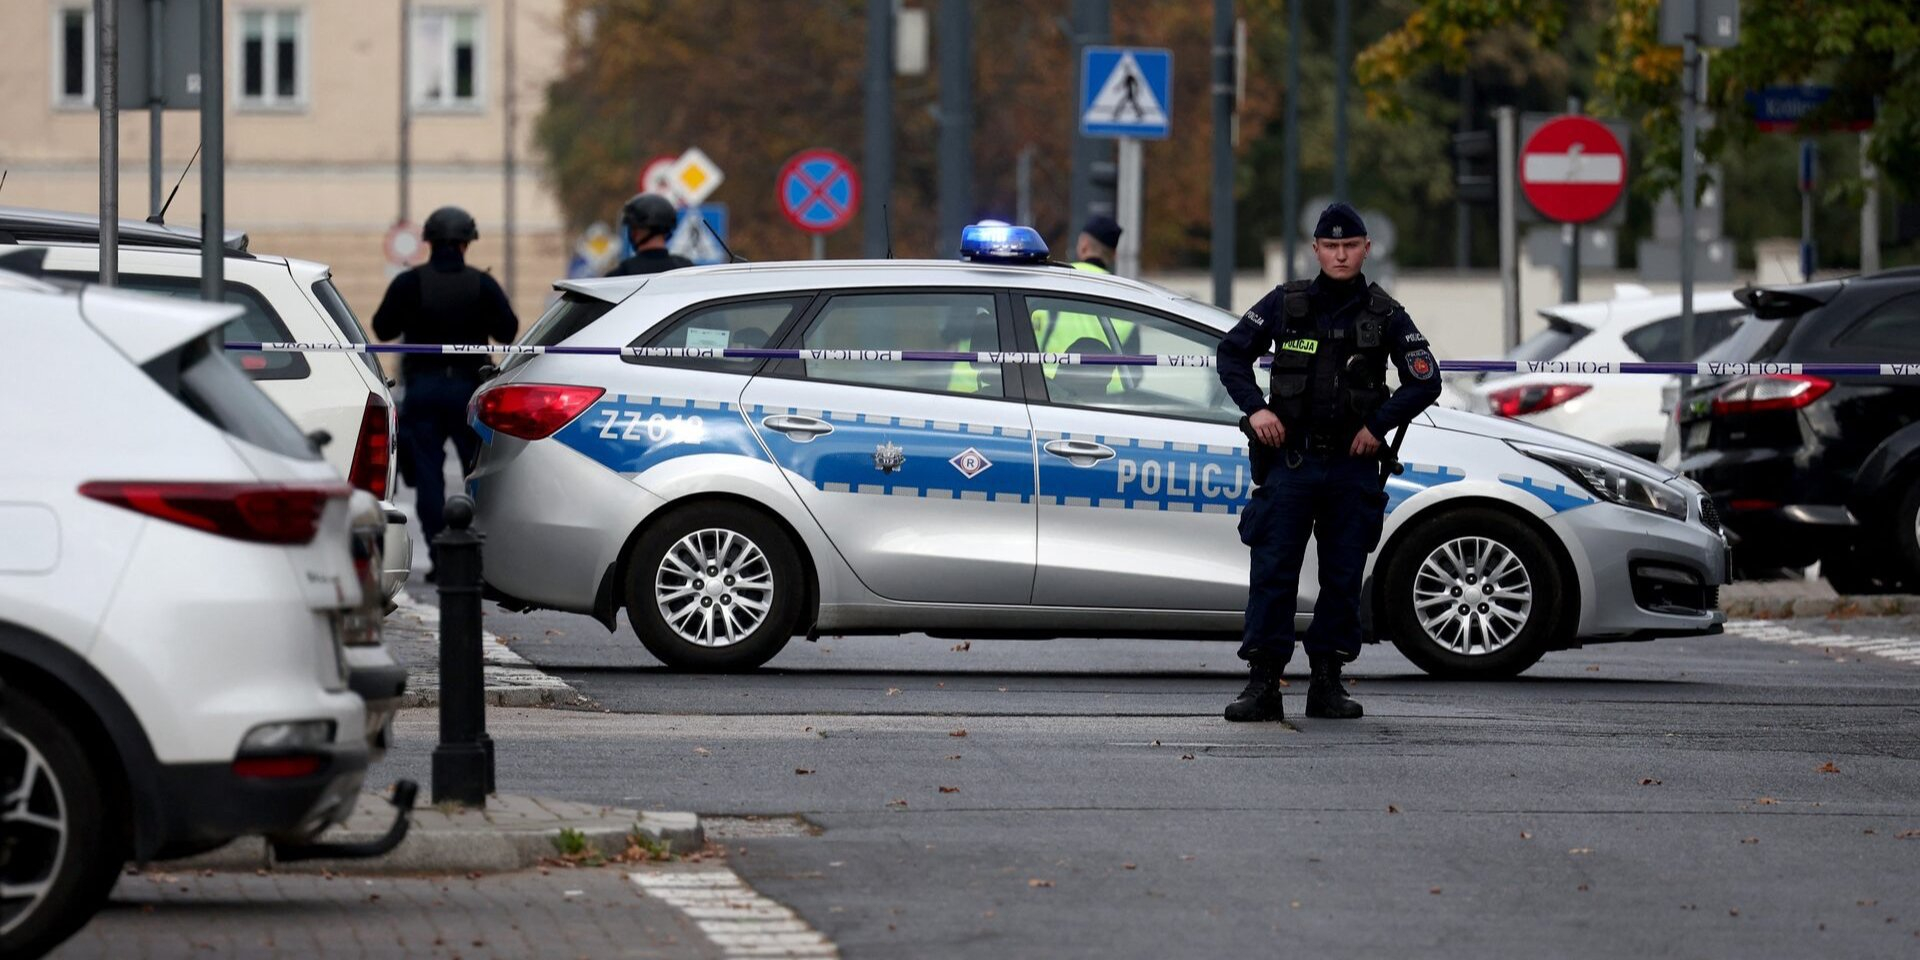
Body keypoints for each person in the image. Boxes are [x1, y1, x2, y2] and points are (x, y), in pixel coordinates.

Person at [1215, 202, 1442, 723]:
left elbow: (1425, 379)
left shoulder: (1386, 313)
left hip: (1350, 466)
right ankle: (1263, 684)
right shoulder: (1284, 303)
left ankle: (1327, 683)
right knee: (1273, 573)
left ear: (1366, 248)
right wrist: (1256, 409)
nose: (1340, 255)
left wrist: (1377, 425)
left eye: (1350, 245)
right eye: (1331, 246)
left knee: (1342, 578)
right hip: (1289, 463)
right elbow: (1232, 354)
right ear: (1315, 250)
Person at [372, 205, 519, 578]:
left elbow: (383, 328)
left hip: (423, 390)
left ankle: (442, 558)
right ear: (468, 243)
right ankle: (476, 558)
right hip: (470, 392)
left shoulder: (410, 283)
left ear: (429, 242)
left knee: (427, 477)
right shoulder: (482, 285)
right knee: (479, 474)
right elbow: (507, 331)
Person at [607, 193, 692, 277]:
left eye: (632, 227)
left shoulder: (621, 274)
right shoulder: (687, 270)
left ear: (635, 231)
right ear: (667, 230)